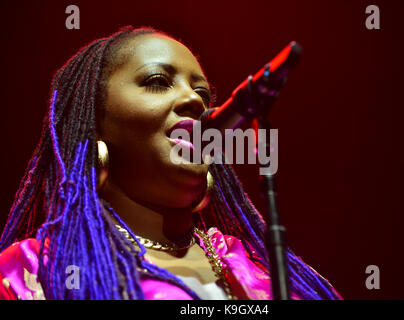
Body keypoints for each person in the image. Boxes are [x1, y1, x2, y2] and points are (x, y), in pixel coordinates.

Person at [0, 26, 341, 300]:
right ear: (96, 120)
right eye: (158, 82)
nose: (194, 99)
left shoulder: (255, 265)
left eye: (203, 95)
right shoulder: (36, 270)